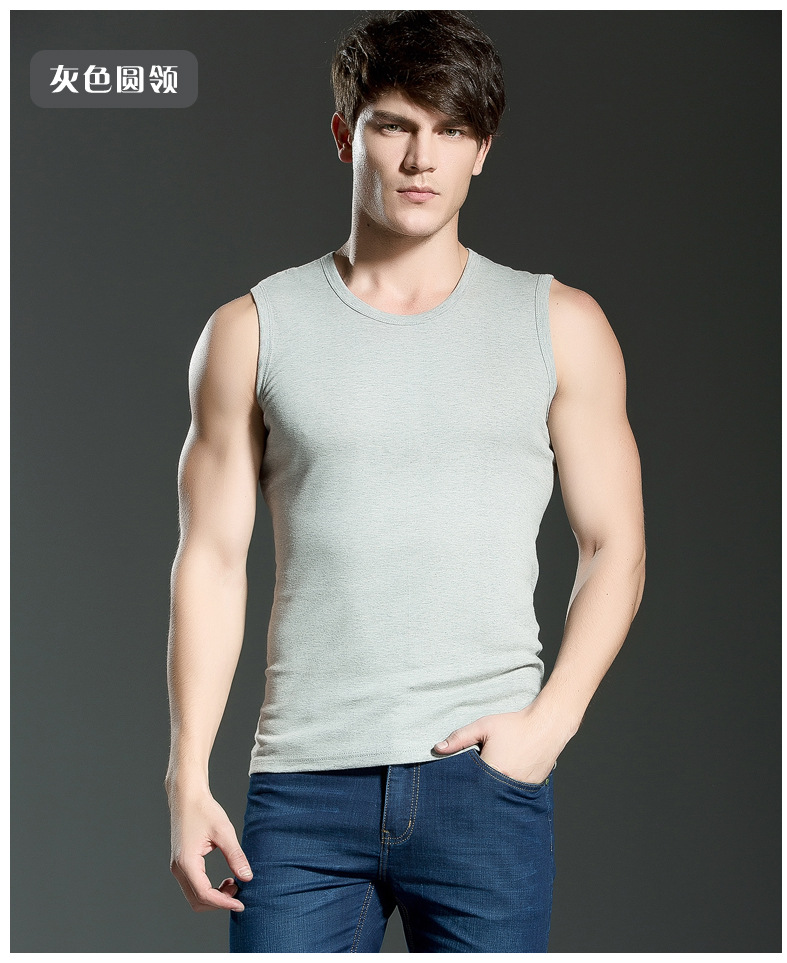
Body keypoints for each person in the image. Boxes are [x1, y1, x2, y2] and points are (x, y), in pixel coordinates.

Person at [165, 10, 646, 953]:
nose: (423, 157)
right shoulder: (252, 331)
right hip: (303, 789)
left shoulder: (561, 325)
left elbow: (615, 547)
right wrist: (186, 776)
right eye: (394, 125)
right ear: (346, 135)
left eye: (452, 130)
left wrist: (549, 725)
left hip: (483, 785)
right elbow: (211, 560)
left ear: (482, 149)